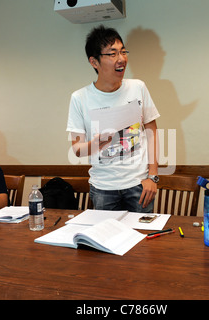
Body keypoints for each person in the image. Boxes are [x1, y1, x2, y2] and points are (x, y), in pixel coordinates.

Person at [66, 25, 160, 213]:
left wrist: (153, 177)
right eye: (112, 54)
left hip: (139, 184)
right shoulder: (80, 98)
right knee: (105, 240)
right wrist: (95, 143)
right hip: (103, 188)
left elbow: (152, 133)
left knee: (142, 240)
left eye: (123, 52)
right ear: (94, 62)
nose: (122, 59)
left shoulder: (138, 87)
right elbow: (76, 149)